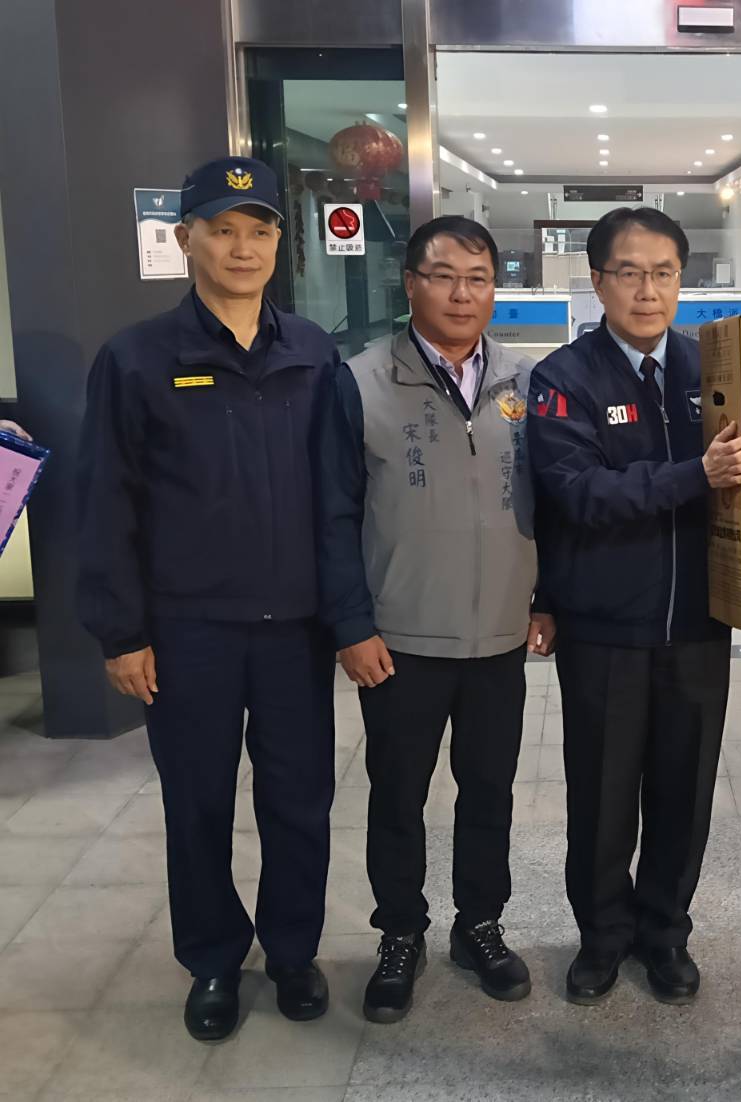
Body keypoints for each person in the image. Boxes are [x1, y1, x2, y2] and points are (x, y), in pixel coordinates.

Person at [76, 157, 338, 1042]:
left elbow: (340, 496)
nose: (242, 248)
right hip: (188, 631)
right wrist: (120, 632)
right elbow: (105, 501)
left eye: (259, 230)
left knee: (299, 801)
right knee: (197, 803)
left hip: (295, 628)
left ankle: (293, 951)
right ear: (186, 238)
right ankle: (214, 959)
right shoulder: (137, 357)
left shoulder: (313, 352)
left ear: (279, 244)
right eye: (222, 230)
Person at [315, 215, 553, 1023]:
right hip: (399, 639)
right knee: (397, 795)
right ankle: (400, 933)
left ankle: (479, 924)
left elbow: (551, 503)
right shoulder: (359, 382)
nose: (461, 293)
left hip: (499, 636)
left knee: (489, 792)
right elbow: (331, 516)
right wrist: (351, 625)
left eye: (478, 278)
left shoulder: (526, 381)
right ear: (410, 283)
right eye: (443, 276)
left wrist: (545, 599)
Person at [526, 206, 741, 1006]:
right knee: (600, 796)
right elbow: (578, 492)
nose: (647, 290)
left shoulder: (713, 369)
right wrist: (697, 474)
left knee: (682, 792)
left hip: (698, 622)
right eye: (628, 273)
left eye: (663, 273)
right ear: (597, 282)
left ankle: (665, 932)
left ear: (680, 281)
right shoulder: (564, 378)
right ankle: (601, 936)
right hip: (605, 628)